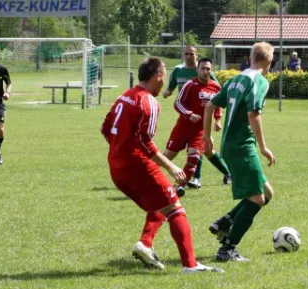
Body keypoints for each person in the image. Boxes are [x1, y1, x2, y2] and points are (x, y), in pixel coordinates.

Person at [101, 57, 222, 273]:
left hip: (115, 168)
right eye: (164, 78)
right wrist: (171, 167)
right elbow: (145, 142)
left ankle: (145, 245)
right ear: (157, 77)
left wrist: (119, 149)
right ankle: (190, 265)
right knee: (175, 208)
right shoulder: (148, 102)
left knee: (160, 203)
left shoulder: (124, 96)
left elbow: (106, 128)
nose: (164, 82)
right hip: (137, 165)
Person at [203, 42, 276, 262]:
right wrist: (263, 147)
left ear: (250, 57)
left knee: (267, 193)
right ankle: (227, 248)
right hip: (242, 146)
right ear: (270, 62)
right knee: (257, 199)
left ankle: (225, 222)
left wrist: (207, 137)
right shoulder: (260, 81)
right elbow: (254, 114)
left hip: (228, 145)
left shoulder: (236, 79)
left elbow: (209, 106)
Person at [163, 58, 232, 196]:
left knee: (194, 156)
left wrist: (217, 119)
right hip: (183, 127)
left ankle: (179, 185)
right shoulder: (190, 84)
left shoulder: (216, 87)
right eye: (202, 68)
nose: (205, 71)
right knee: (166, 157)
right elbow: (178, 103)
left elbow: (216, 105)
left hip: (200, 130)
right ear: (197, 69)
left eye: (208, 69)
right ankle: (140, 177)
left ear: (211, 70)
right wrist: (189, 114)